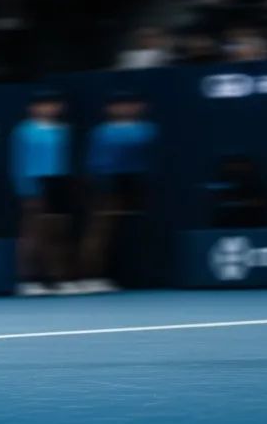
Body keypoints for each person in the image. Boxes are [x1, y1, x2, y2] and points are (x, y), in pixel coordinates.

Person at [78, 91, 157, 293]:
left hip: (138, 186)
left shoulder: (148, 130)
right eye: (120, 104)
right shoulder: (102, 132)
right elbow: (94, 163)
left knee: (134, 233)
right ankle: (90, 276)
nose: (125, 108)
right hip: (109, 186)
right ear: (109, 109)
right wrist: (100, 184)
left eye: (130, 104)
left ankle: (137, 276)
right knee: (101, 231)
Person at [10, 89, 75, 296]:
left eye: (53, 104)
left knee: (57, 233)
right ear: (33, 108)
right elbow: (18, 163)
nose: (48, 108)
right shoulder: (23, 131)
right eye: (43, 104)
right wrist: (27, 189)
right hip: (35, 183)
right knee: (32, 232)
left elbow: (64, 160)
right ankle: (27, 280)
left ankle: (55, 278)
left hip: (58, 183)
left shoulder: (63, 130)